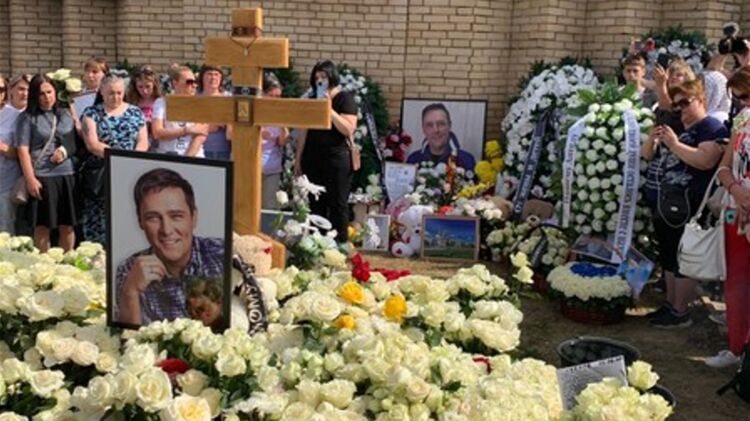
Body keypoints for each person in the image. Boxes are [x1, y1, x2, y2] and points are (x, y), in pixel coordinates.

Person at [641, 79, 729, 329]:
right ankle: (670, 304)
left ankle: (681, 311)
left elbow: (705, 160)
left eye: (685, 103)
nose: (681, 109)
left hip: (691, 203)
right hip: (668, 201)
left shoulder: (711, 127)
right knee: (669, 255)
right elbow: (648, 155)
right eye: (677, 105)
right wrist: (656, 139)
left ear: (701, 100)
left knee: (684, 257)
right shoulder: (678, 127)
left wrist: (674, 144)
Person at [114, 168, 224, 326]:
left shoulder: (222, 254)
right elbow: (127, 337)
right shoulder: (129, 270)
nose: (166, 230)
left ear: (193, 217)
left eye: (176, 216)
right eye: (153, 218)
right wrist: (130, 292)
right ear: (140, 221)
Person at [706, 66, 750, 368]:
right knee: (737, 284)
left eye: (746, 96)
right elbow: (724, 168)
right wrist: (736, 190)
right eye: (738, 98)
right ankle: (736, 348)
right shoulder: (742, 121)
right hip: (737, 212)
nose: (743, 103)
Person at [295, 60, 357, 243]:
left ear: (332, 77)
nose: (320, 81)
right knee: (316, 203)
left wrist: (329, 109)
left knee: (338, 203)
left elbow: (348, 129)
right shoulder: (312, 100)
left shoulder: (344, 99)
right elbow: (303, 132)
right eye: (317, 78)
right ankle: (316, 243)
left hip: (337, 159)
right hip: (313, 158)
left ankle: (340, 245)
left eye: (323, 77)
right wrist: (298, 159)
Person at [80, 75, 148, 244]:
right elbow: (93, 144)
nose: (115, 97)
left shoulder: (135, 112)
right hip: (102, 174)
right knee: (100, 220)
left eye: (119, 93)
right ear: (102, 92)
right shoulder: (91, 113)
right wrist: (118, 158)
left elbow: (143, 141)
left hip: (129, 171)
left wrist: (131, 159)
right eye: (111, 93)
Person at [14, 74, 79, 251]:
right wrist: (30, 179)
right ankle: (44, 263)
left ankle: (68, 261)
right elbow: (22, 150)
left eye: (49, 92)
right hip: (42, 176)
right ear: (35, 96)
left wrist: (64, 151)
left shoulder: (65, 114)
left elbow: (74, 141)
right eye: (41, 94)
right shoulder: (27, 118)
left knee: (67, 225)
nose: (47, 97)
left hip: (66, 175)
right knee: (42, 226)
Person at [151, 65, 208, 157]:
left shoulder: (200, 104)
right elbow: (157, 133)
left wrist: (186, 159)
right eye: (189, 82)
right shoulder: (161, 102)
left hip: (194, 157)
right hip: (167, 155)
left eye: (195, 82)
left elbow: (201, 135)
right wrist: (186, 130)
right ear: (175, 83)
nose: (194, 85)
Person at [406, 103, 476, 170]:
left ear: (449, 126)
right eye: (429, 125)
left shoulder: (467, 161)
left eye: (441, 124)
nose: (436, 130)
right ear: (423, 129)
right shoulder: (413, 160)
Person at [0, 74, 29, 234]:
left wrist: (3, 148)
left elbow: (23, 151)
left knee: (5, 228)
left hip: (5, 181)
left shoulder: (16, 116)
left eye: (1, 89)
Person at [261, 73, 289, 209]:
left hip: (272, 168)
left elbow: (282, 142)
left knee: (269, 206)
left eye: (278, 96)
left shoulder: (280, 112)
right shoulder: (254, 110)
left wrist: (283, 126)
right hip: (250, 168)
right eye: (271, 96)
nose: (274, 100)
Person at [198, 65, 232, 160]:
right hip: (200, 149)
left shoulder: (228, 98)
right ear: (202, 77)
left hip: (224, 150)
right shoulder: (195, 98)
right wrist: (211, 126)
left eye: (216, 74)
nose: (213, 77)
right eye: (209, 74)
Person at [125, 65, 162, 148]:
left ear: (154, 84)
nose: (144, 91)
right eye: (140, 87)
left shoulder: (160, 101)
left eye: (148, 86)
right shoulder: (131, 101)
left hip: (157, 143)